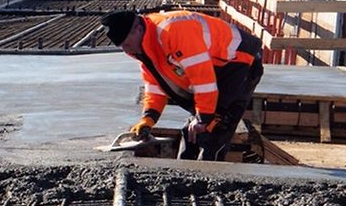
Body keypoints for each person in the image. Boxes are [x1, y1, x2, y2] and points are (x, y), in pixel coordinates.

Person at [101, 9, 262, 160]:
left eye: (127, 45)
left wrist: (203, 118)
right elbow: (155, 87)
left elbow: (203, 80)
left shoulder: (173, 32)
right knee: (191, 132)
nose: (127, 51)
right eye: (122, 47)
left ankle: (207, 183)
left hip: (240, 63)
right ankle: (183, 179)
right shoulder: (144, 48)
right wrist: (149, 118)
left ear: (137, 29)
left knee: (215, 130)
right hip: (217, 70)